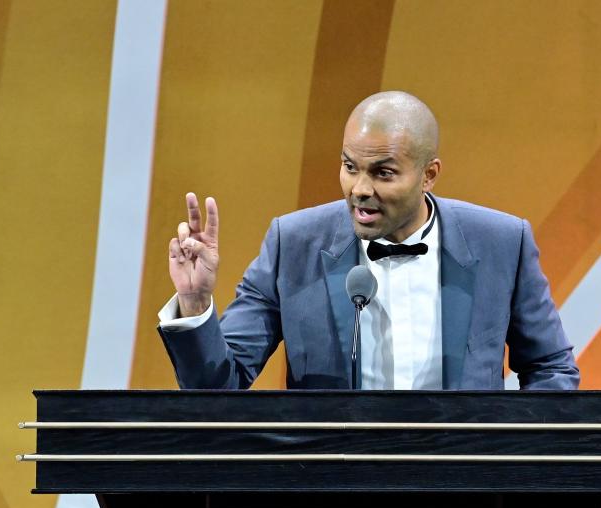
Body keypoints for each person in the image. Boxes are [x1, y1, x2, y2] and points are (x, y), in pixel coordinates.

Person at [158, 91, 579, 390]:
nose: (359, 188)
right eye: (349, 166)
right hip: (329, 496)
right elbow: (218, 386)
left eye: (383, 173)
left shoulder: (502, 243)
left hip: (464, 497)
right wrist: (195, 302)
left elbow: (550, 367)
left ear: (428, 174)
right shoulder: (294, 244)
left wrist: (520, 466)